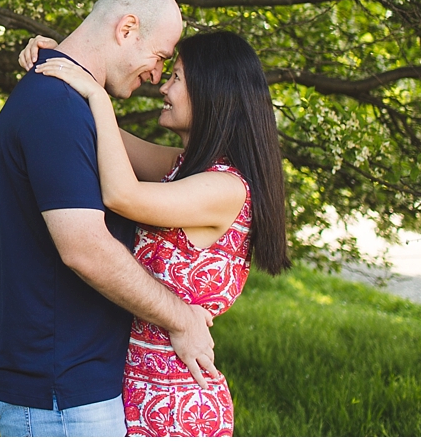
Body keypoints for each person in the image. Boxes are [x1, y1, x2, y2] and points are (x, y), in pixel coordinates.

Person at [0, 0, 219, 437]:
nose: (157, 77)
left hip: (63, 381)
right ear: (127, 29)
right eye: (161, 58)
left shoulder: (70, 103)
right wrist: (182, 318)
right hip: (54, 388)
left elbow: (173, 172)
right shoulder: (57, 108)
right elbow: (84, 248)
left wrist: (67, 69)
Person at [26, 28, 290, 436]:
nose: (162, 87)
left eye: (177, 77)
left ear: (211, 92)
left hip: (175, 405)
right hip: (138, 390)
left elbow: (120, 195)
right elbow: (100, 134)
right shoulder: (183, 169)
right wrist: (58, 59)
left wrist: (96, 95)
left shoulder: (225, 188)